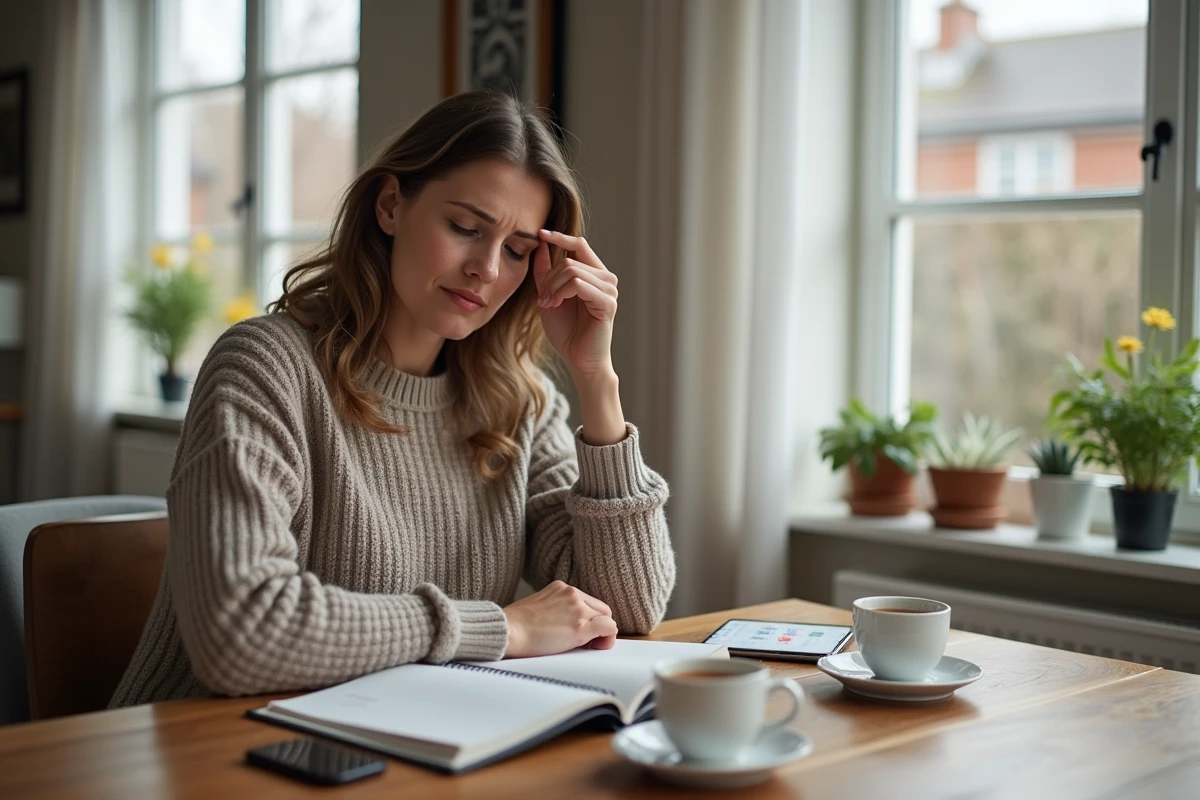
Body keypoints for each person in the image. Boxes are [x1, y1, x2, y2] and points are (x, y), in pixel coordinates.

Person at [109, 91, 676, 707]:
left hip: (399, 741)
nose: (487, 268)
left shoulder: (519, 401)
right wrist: (502, 628)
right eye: (465, 227)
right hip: (206, 748)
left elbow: (627, 607)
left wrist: (597, 380)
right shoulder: (264, 366)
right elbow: (240, 631)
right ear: (389, 205)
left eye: (516, 250)